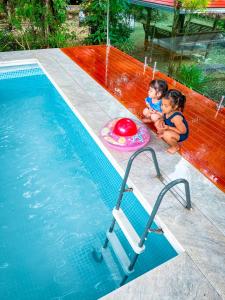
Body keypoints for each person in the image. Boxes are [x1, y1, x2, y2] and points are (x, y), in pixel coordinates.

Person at [155, 89, 189, 154]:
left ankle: (175, 146)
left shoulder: (176, 117)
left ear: (175, 107)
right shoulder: (167, 110)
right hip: (170, 127)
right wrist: (161, 120)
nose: (162, 107)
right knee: (157, 122)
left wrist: (168, 128)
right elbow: (163, 117)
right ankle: (164, 133)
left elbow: (183, 131)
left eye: (165, 105)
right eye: (162, 104)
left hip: (180, 134)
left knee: (167, 135)